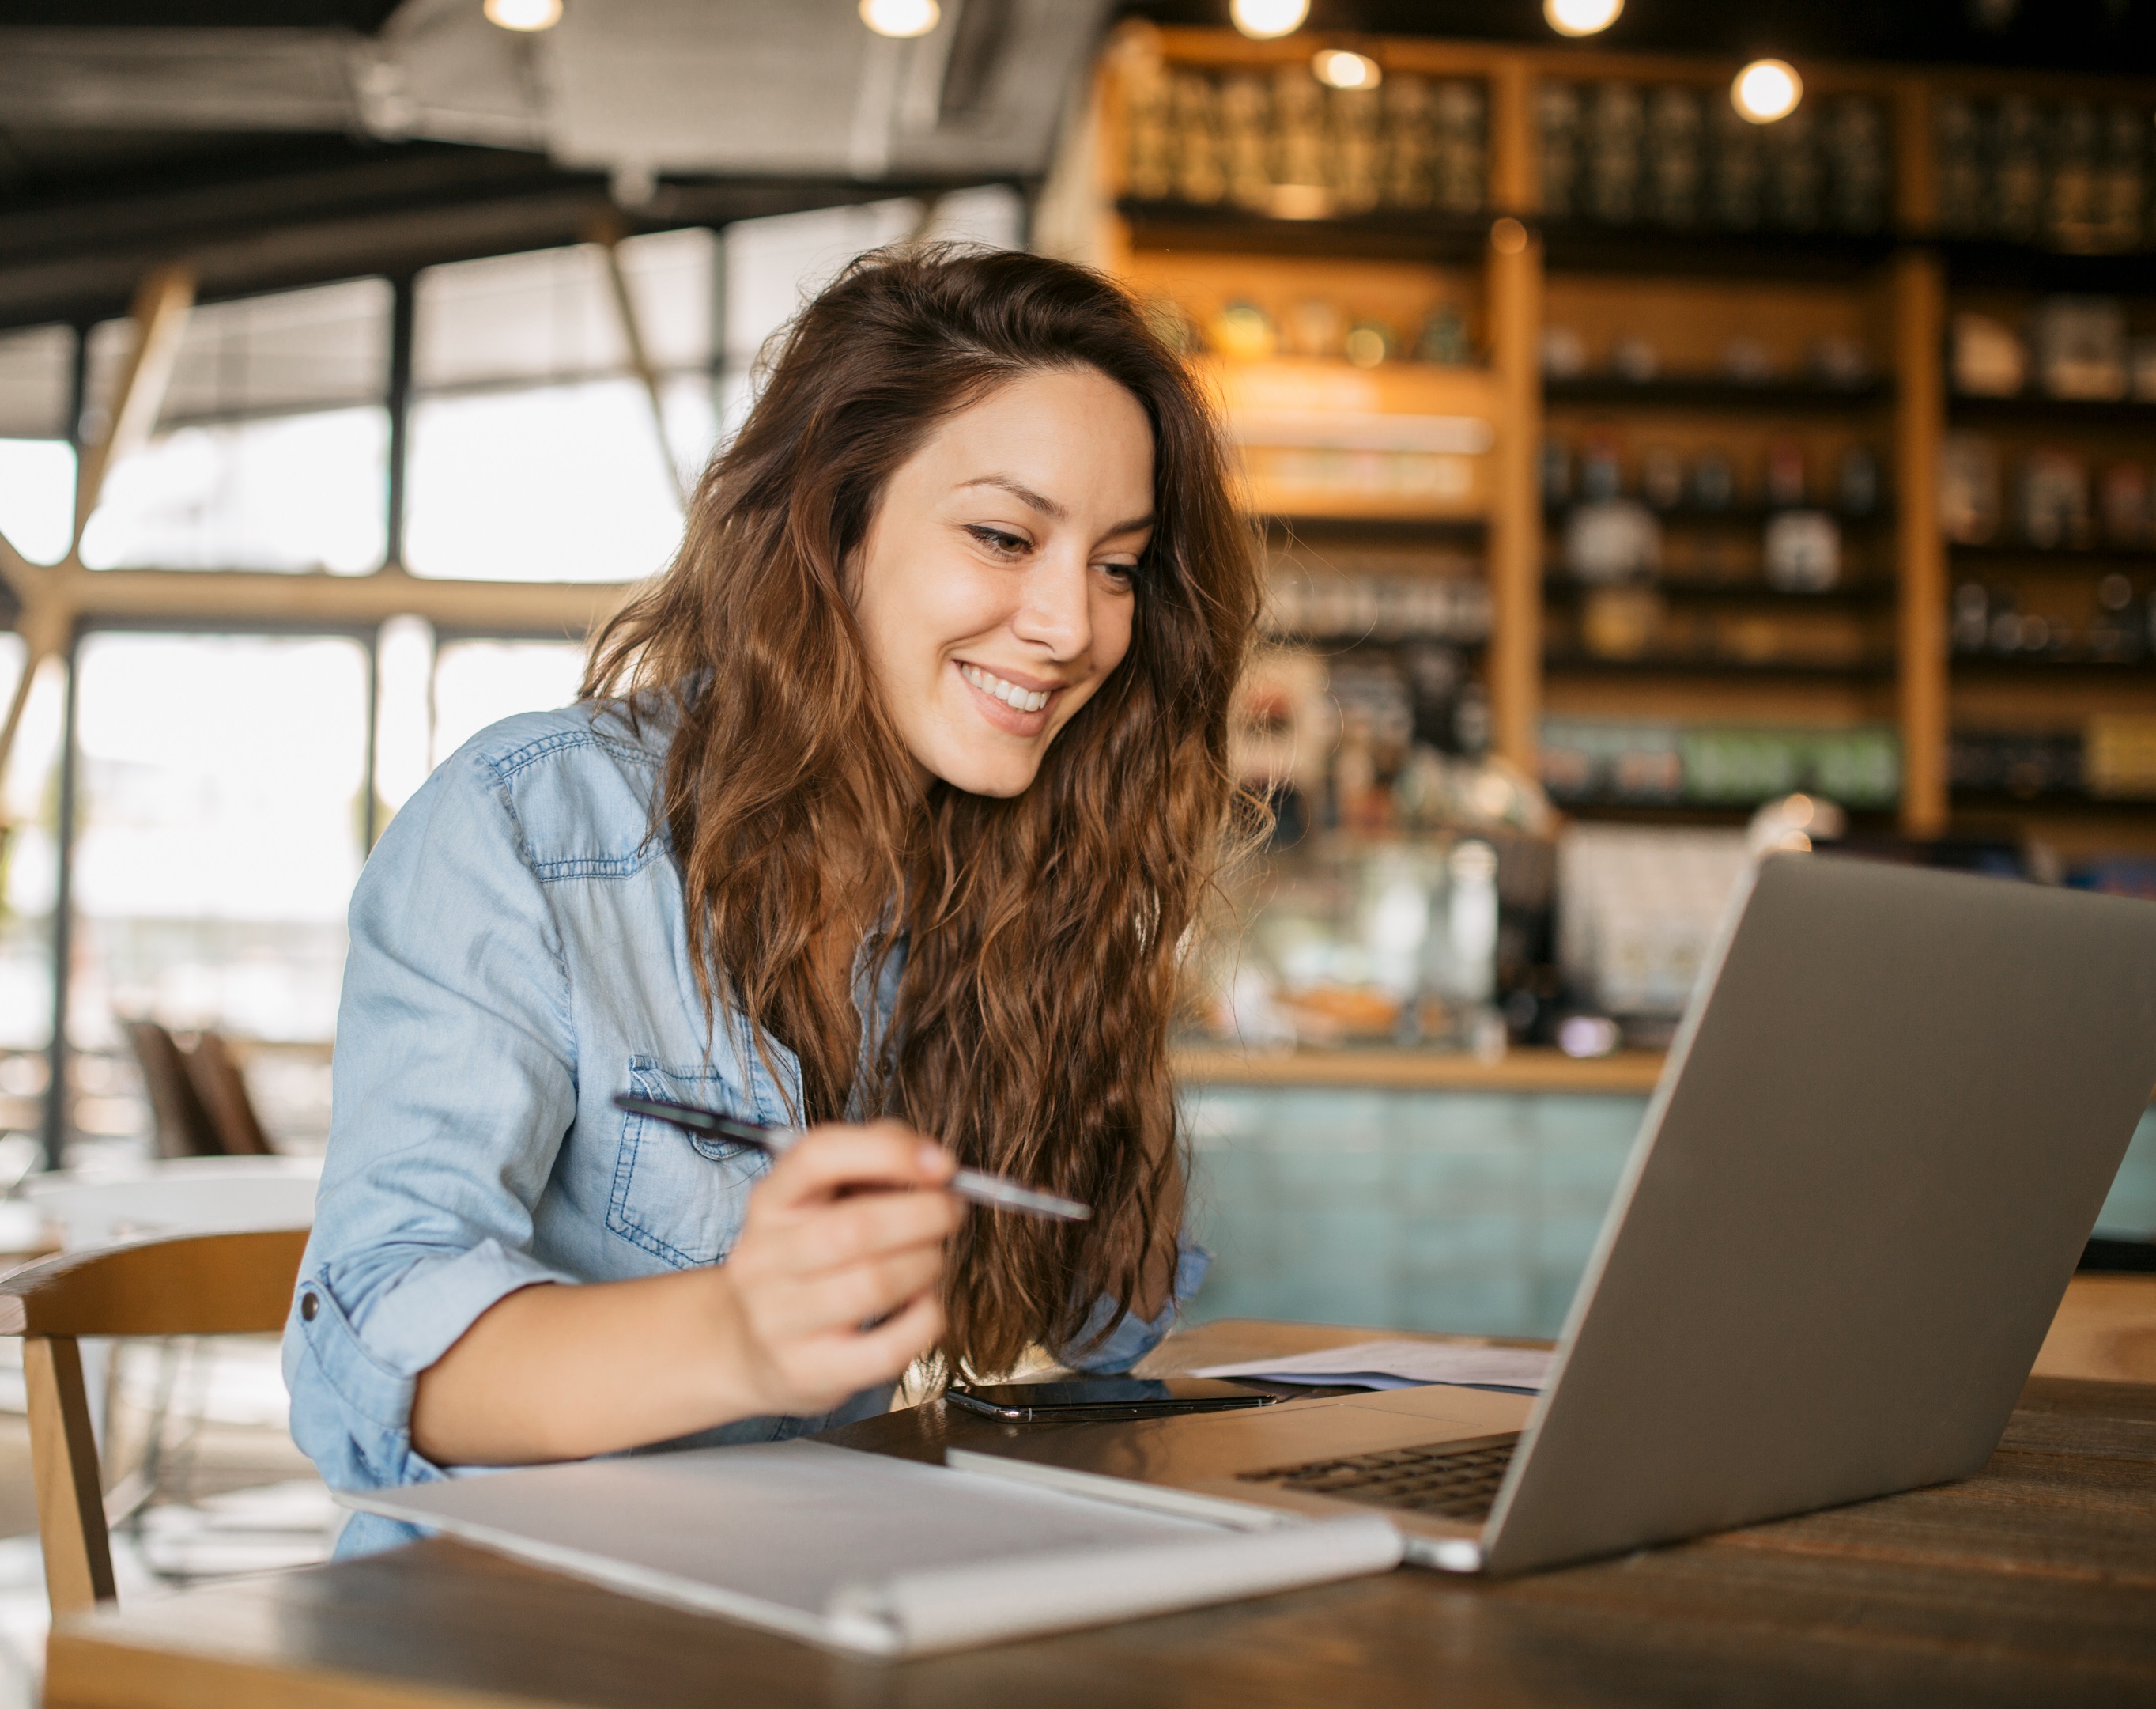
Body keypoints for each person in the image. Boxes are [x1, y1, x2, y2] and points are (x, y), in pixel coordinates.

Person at [283, 245, 1263, 1555]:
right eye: (1004, 537)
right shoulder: (529, 828)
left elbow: (1107, 1328)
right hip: (509, 1633)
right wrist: (741, 1331)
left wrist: (1094, 993)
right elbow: (371, 1360)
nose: (1074, 626)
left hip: (819, 1602)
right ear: (832, 526)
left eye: (1118, 566)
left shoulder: (1029, 869)